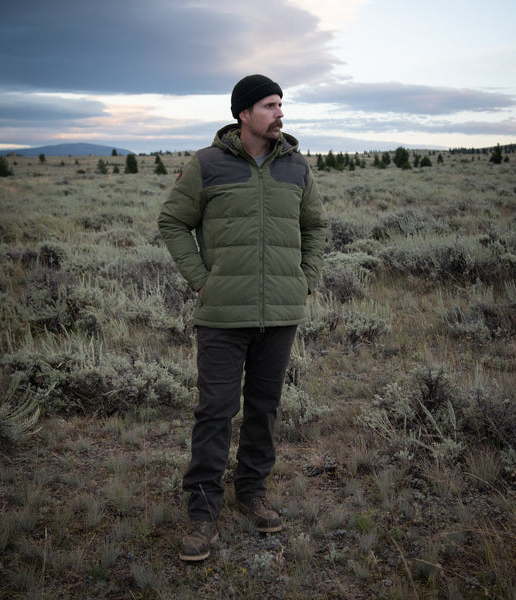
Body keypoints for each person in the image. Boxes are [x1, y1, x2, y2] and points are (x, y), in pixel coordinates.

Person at [158, 74, 326, 561]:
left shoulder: (296, 166)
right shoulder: (207, 165)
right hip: (222, 314)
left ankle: (252, 492)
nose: (280, 113)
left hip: (280, 312)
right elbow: (173, 221)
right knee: (215, 410)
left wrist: (305, 280)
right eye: (270, 105)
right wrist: (202, 280)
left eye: (281, 104)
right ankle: (203, 511)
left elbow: (315, 226)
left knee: (264, 407)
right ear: (243, 114)